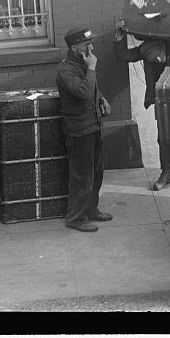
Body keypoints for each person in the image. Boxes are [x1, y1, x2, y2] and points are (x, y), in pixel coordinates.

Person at [114, 17, 170, 191]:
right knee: (164, 136)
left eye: (159, 57)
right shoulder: (148, 47)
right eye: (153, 59)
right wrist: (119, 37)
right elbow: (123, 55)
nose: (157, 60)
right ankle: (166, 173)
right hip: (162, 99)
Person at [57, 26, 113, 232]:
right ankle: (76, 217)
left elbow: (91, 90)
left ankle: (91, 209)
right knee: (82, 176)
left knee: (96, 171)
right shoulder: (66, 70)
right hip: (79, 131)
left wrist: (101, 98)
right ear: (74, 48)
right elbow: (82, 92)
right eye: (86, 44)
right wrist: (92, 68)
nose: (91, 48)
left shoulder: (84, 64)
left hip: (93, 126)